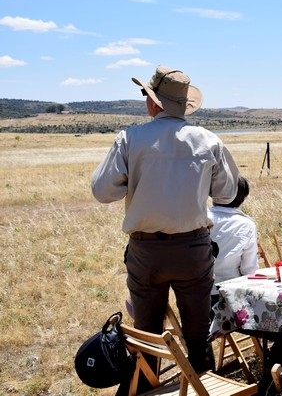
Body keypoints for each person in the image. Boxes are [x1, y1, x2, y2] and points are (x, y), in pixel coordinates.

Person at [91, 65, 238, 373]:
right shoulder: (209, 141)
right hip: (193, 250)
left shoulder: (130, 138)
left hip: (147, 252)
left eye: (145, 93)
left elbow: (103, 191)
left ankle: (146, 387)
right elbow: (227, 193)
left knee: (148, 337)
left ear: (153, 102)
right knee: (198, 336)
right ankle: (203, 386)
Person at [208, 175, 259, 309]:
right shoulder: (246, 225)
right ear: (242, 198)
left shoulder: (199, 217)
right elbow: (249, 268)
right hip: (230, 293)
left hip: (195, 291)